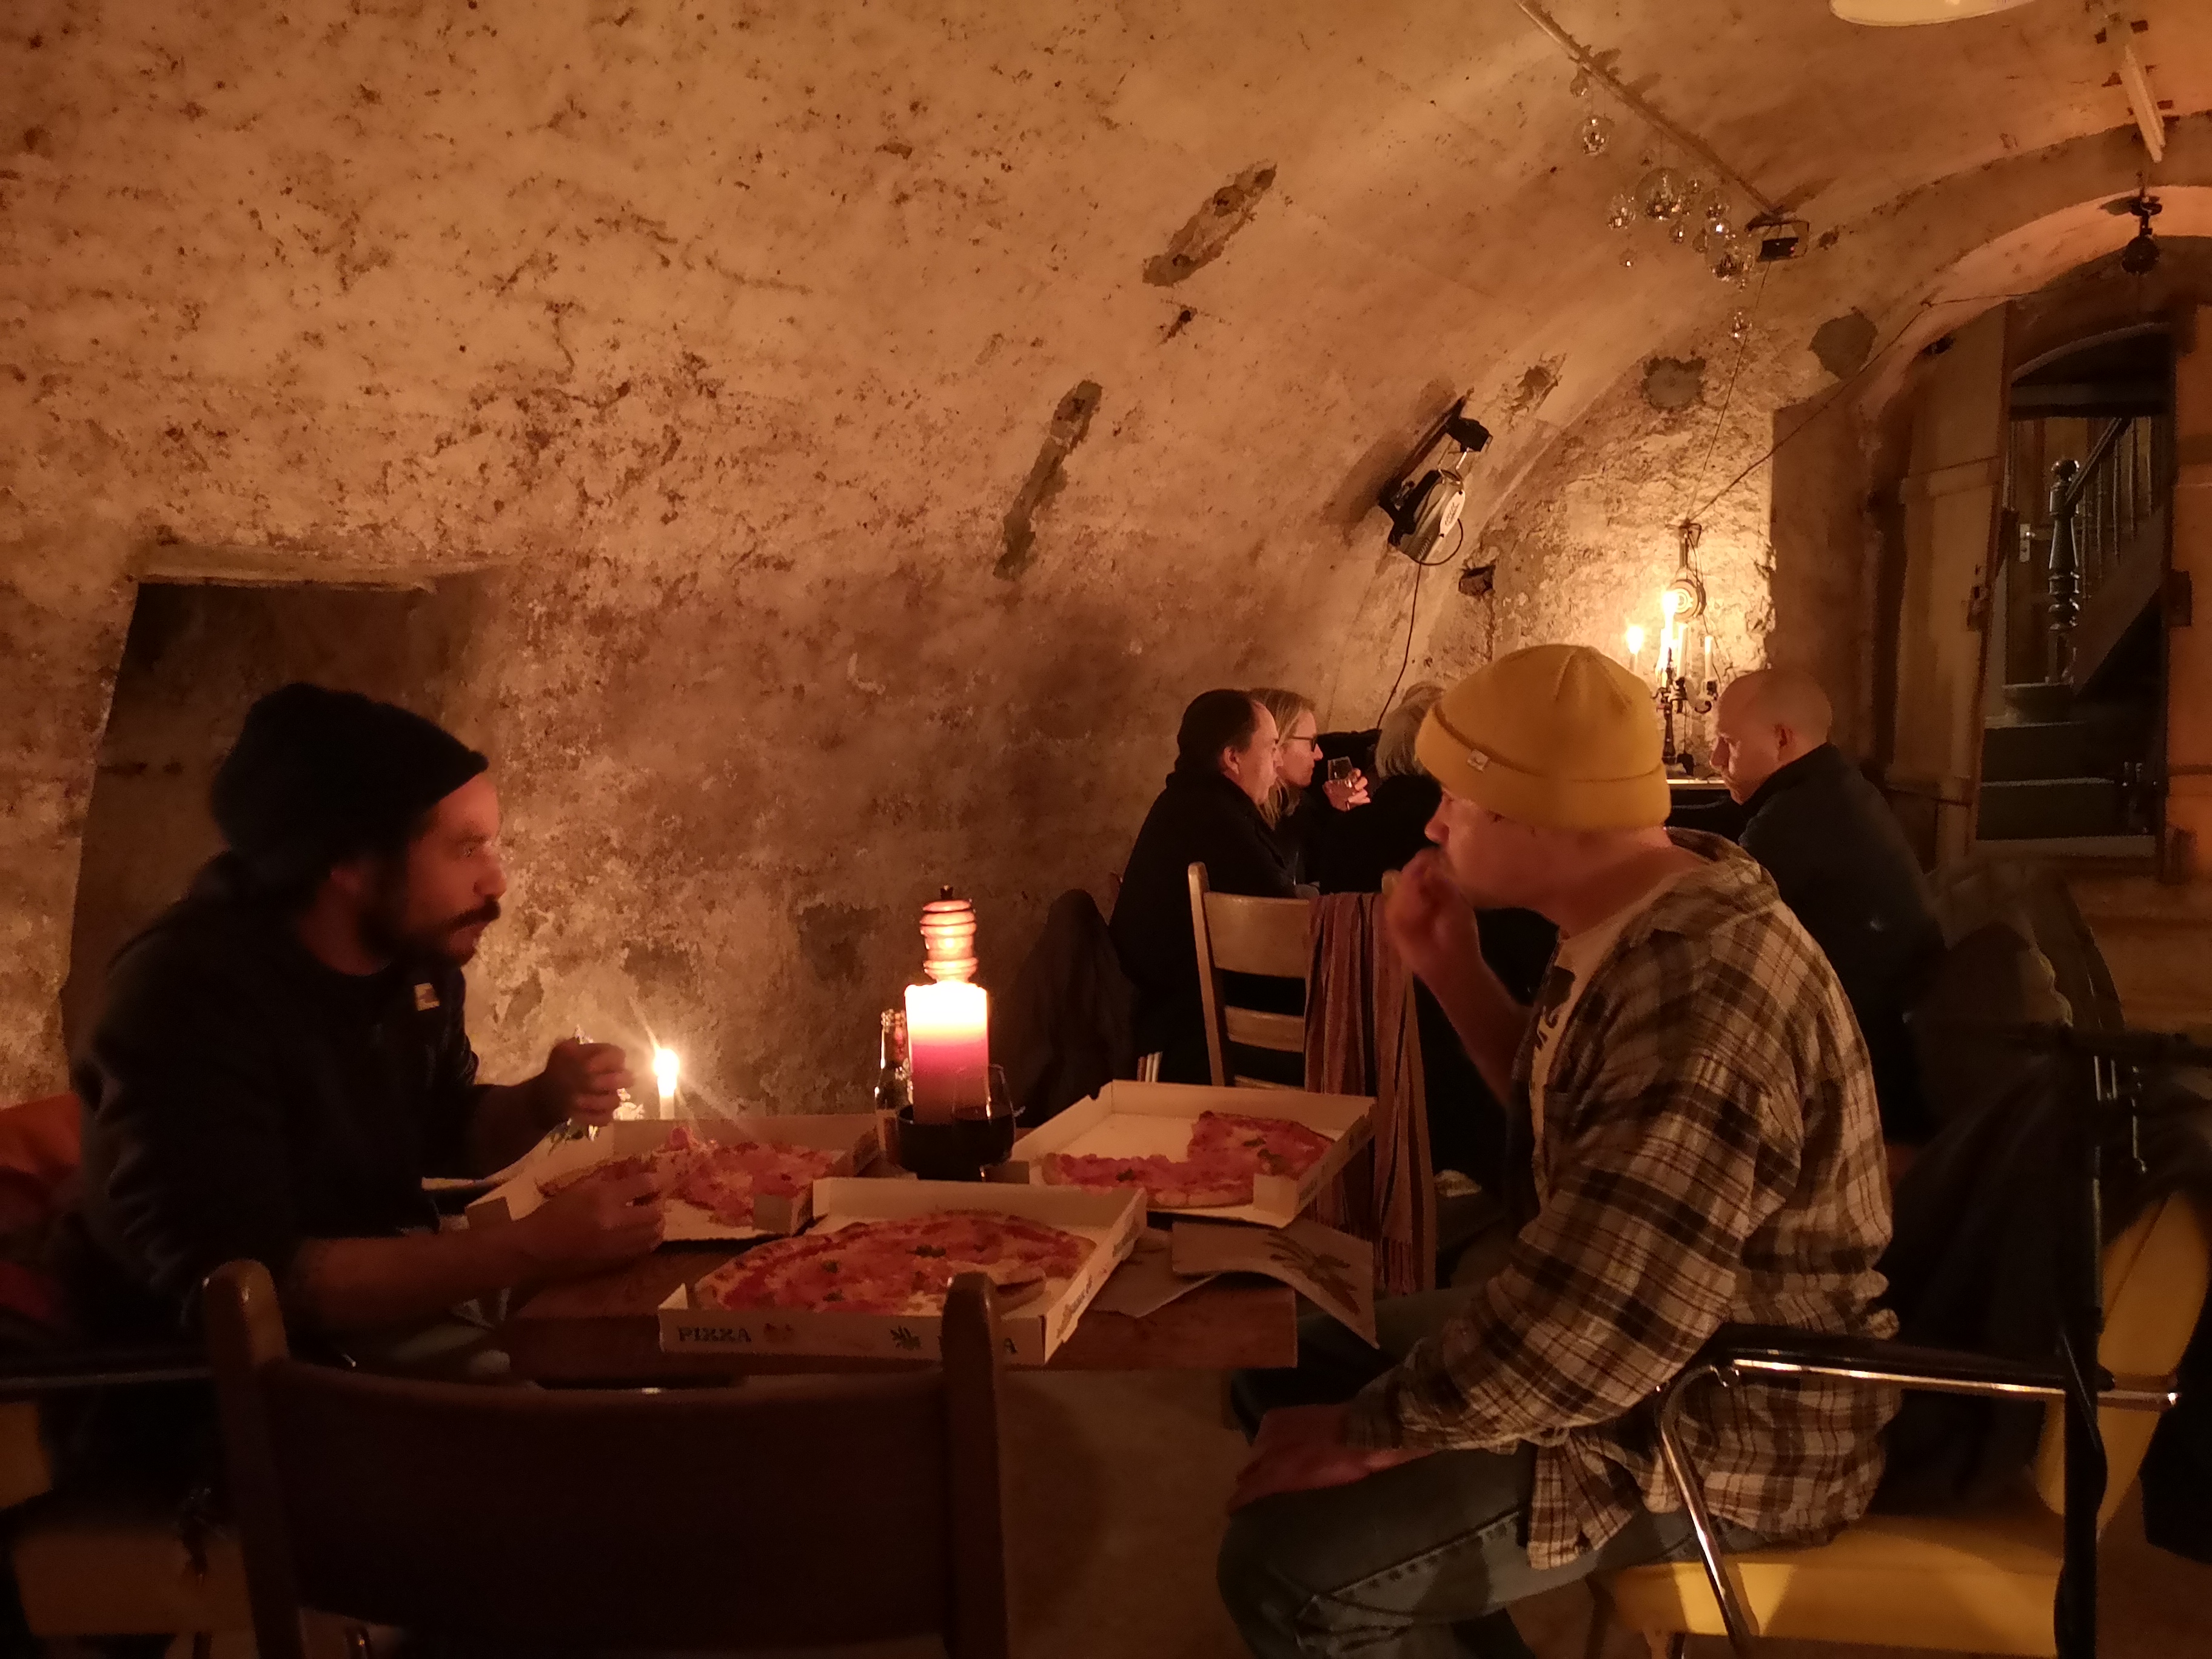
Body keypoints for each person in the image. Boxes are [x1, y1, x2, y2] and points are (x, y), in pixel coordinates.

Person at [1216, 644, 1895, 1659]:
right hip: (1660, 1342)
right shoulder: (1637, 912)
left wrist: (1378, 1432)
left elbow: (1601, 1322)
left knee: (1283, 1564)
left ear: (1540, 813)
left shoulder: (1698, 989)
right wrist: (1452, 969)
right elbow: (1577, 1139)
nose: (1433, 823)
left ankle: (1371, 1592)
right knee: (1288, 1360)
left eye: (1457, 799)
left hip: (1726, 1409)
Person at [65, 684, 667, 1350]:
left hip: (384, 1321)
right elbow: (259, 1285)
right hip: (234, 1380)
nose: (496, 881)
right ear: (350, 861)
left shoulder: (411, 962)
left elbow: (444, 1129)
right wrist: (528, 1248)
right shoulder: (186, 1003)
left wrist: (542, 1101)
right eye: (466, 849)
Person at [1712, 667, 1945, 1145]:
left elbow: (1710, 914)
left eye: (1729, 744)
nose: (1715, 760)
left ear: (1782, 739)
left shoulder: (1799, 819)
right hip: (1892, 1051)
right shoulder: (1831, 787)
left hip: (1869, 1085)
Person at [1108, 690, 1296, 1083]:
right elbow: (1287, 940)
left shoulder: (1185, 804)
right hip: (1201, 1048)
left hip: (1171, 1029)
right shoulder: (1219, 823)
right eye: (1272, 747)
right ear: (1233, 757)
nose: (1279, 762)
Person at [1251, 686, 1369, 885]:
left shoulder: (1298, 809)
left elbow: (1324, 876)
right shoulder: (1241, 817)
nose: (1320, 755)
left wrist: (1343, 817)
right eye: (1312, 742)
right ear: (1276, 742)